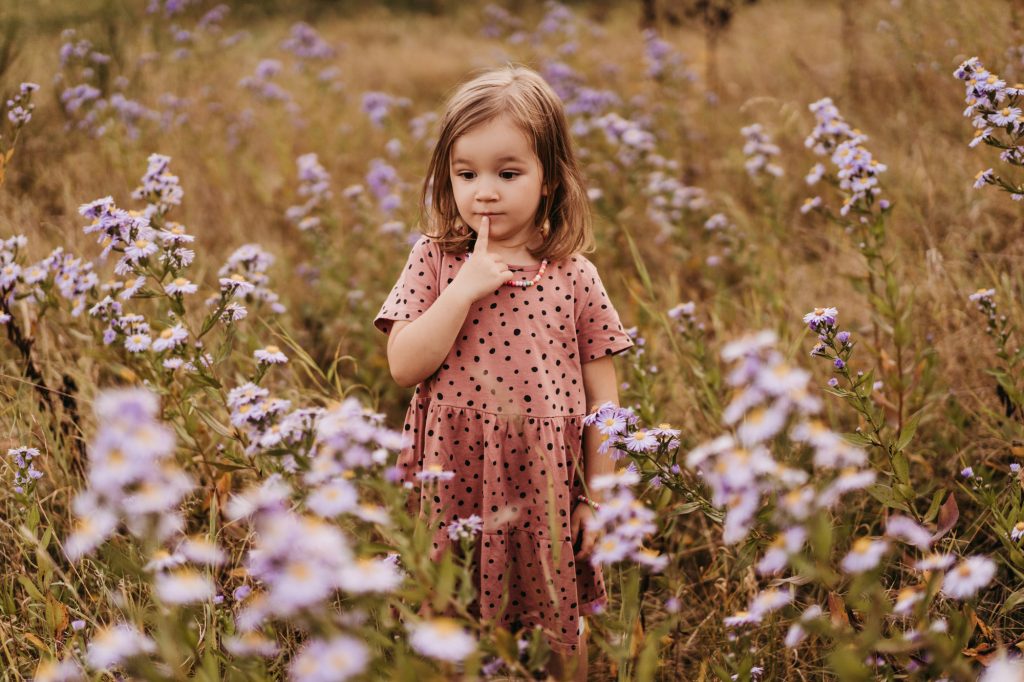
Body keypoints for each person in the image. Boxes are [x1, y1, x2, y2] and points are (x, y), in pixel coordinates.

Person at [373, 63, 633, 681]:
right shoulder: (436, 260)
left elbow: (605, 397)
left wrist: (600, 497)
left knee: (556, 617)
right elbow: (405, 366)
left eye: (508, 173)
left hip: (541, 476)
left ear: (549, 181)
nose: (484, 192)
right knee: (452, 617)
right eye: (466, 174)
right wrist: (461, 291)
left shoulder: (574, 274)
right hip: (454, 469)